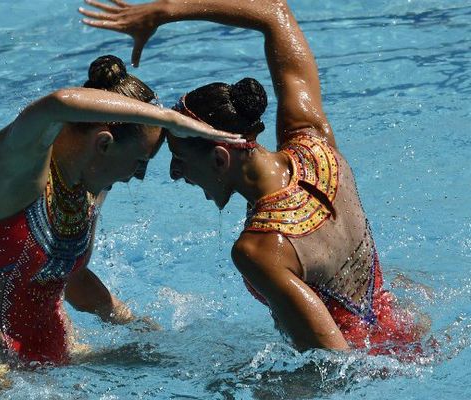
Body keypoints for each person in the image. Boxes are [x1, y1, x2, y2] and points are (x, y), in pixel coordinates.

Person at [80, 1, 428, 354]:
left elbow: (334, 363)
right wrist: (167, 11)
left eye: (180, 159)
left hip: (376, 366)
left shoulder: (261, 250)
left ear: (219, 158)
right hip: (408, 329)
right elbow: (275, 13)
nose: (174, 174)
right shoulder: (314, 141)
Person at [0, 54, 242, 364]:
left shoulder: (88, 188)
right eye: (140, 162)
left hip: (60, 359)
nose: (137, 176)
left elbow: (71, 279)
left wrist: (131, 322)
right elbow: (56, 104)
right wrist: (168, 119)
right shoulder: (16, 174)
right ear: (103, 144)